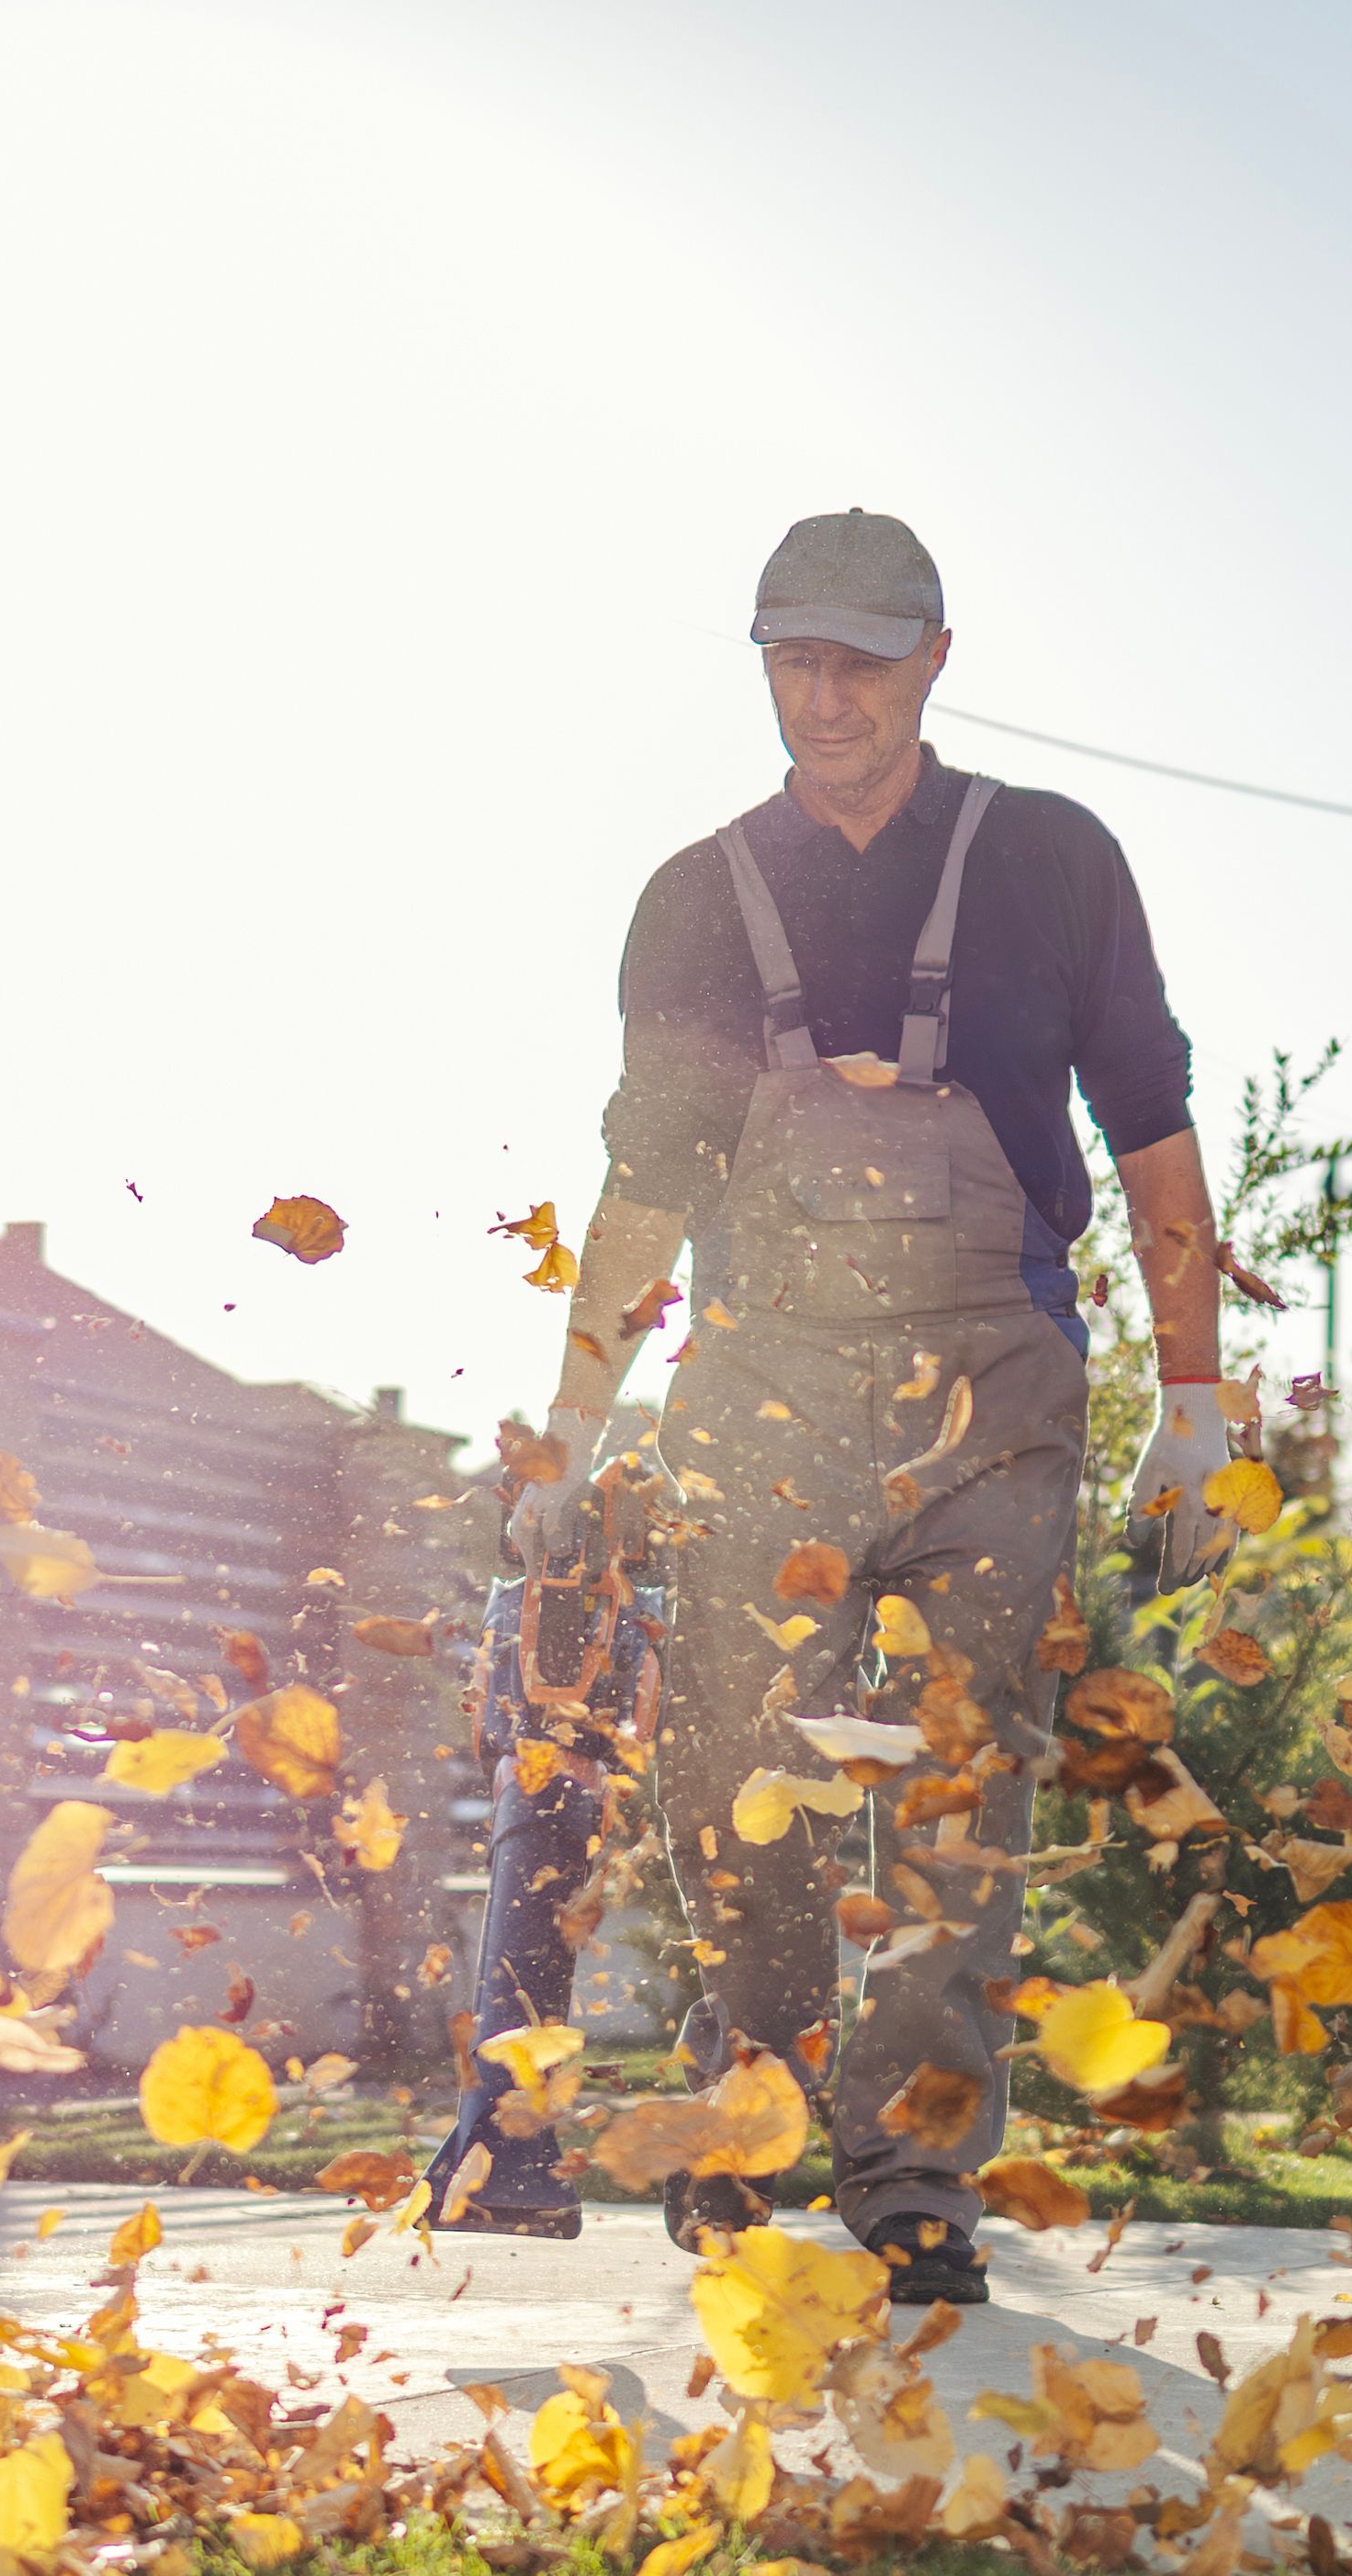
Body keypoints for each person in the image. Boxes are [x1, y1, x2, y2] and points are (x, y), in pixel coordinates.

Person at [458, 508, 1251, 2306]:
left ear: (936, 659)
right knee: (745, 1762)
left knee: (969, 1774)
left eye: (860, 660)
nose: (822, 695)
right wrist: (568, 1434)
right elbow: (647, 1187)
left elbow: (1151, 1127)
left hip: (998, 1368)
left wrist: (1191, 1401)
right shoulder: (695, 891)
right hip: (760, 1372)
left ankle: (916, 2176)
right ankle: (753, 2109)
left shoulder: (1052, 860)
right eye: (790, 657)